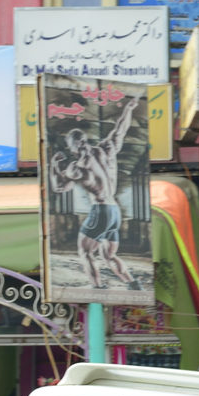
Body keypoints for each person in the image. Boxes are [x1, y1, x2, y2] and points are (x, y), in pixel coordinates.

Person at [47, 93, 140, 291]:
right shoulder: (106, 149)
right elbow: (120, 130)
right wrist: (129, 109)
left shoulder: (76, 167)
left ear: (73, 146)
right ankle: (132, 284)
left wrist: (54, 166)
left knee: (85, 252)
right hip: (115, 212)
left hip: (100, 211)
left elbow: (59, 187)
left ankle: (97, 288)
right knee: (108, 255)